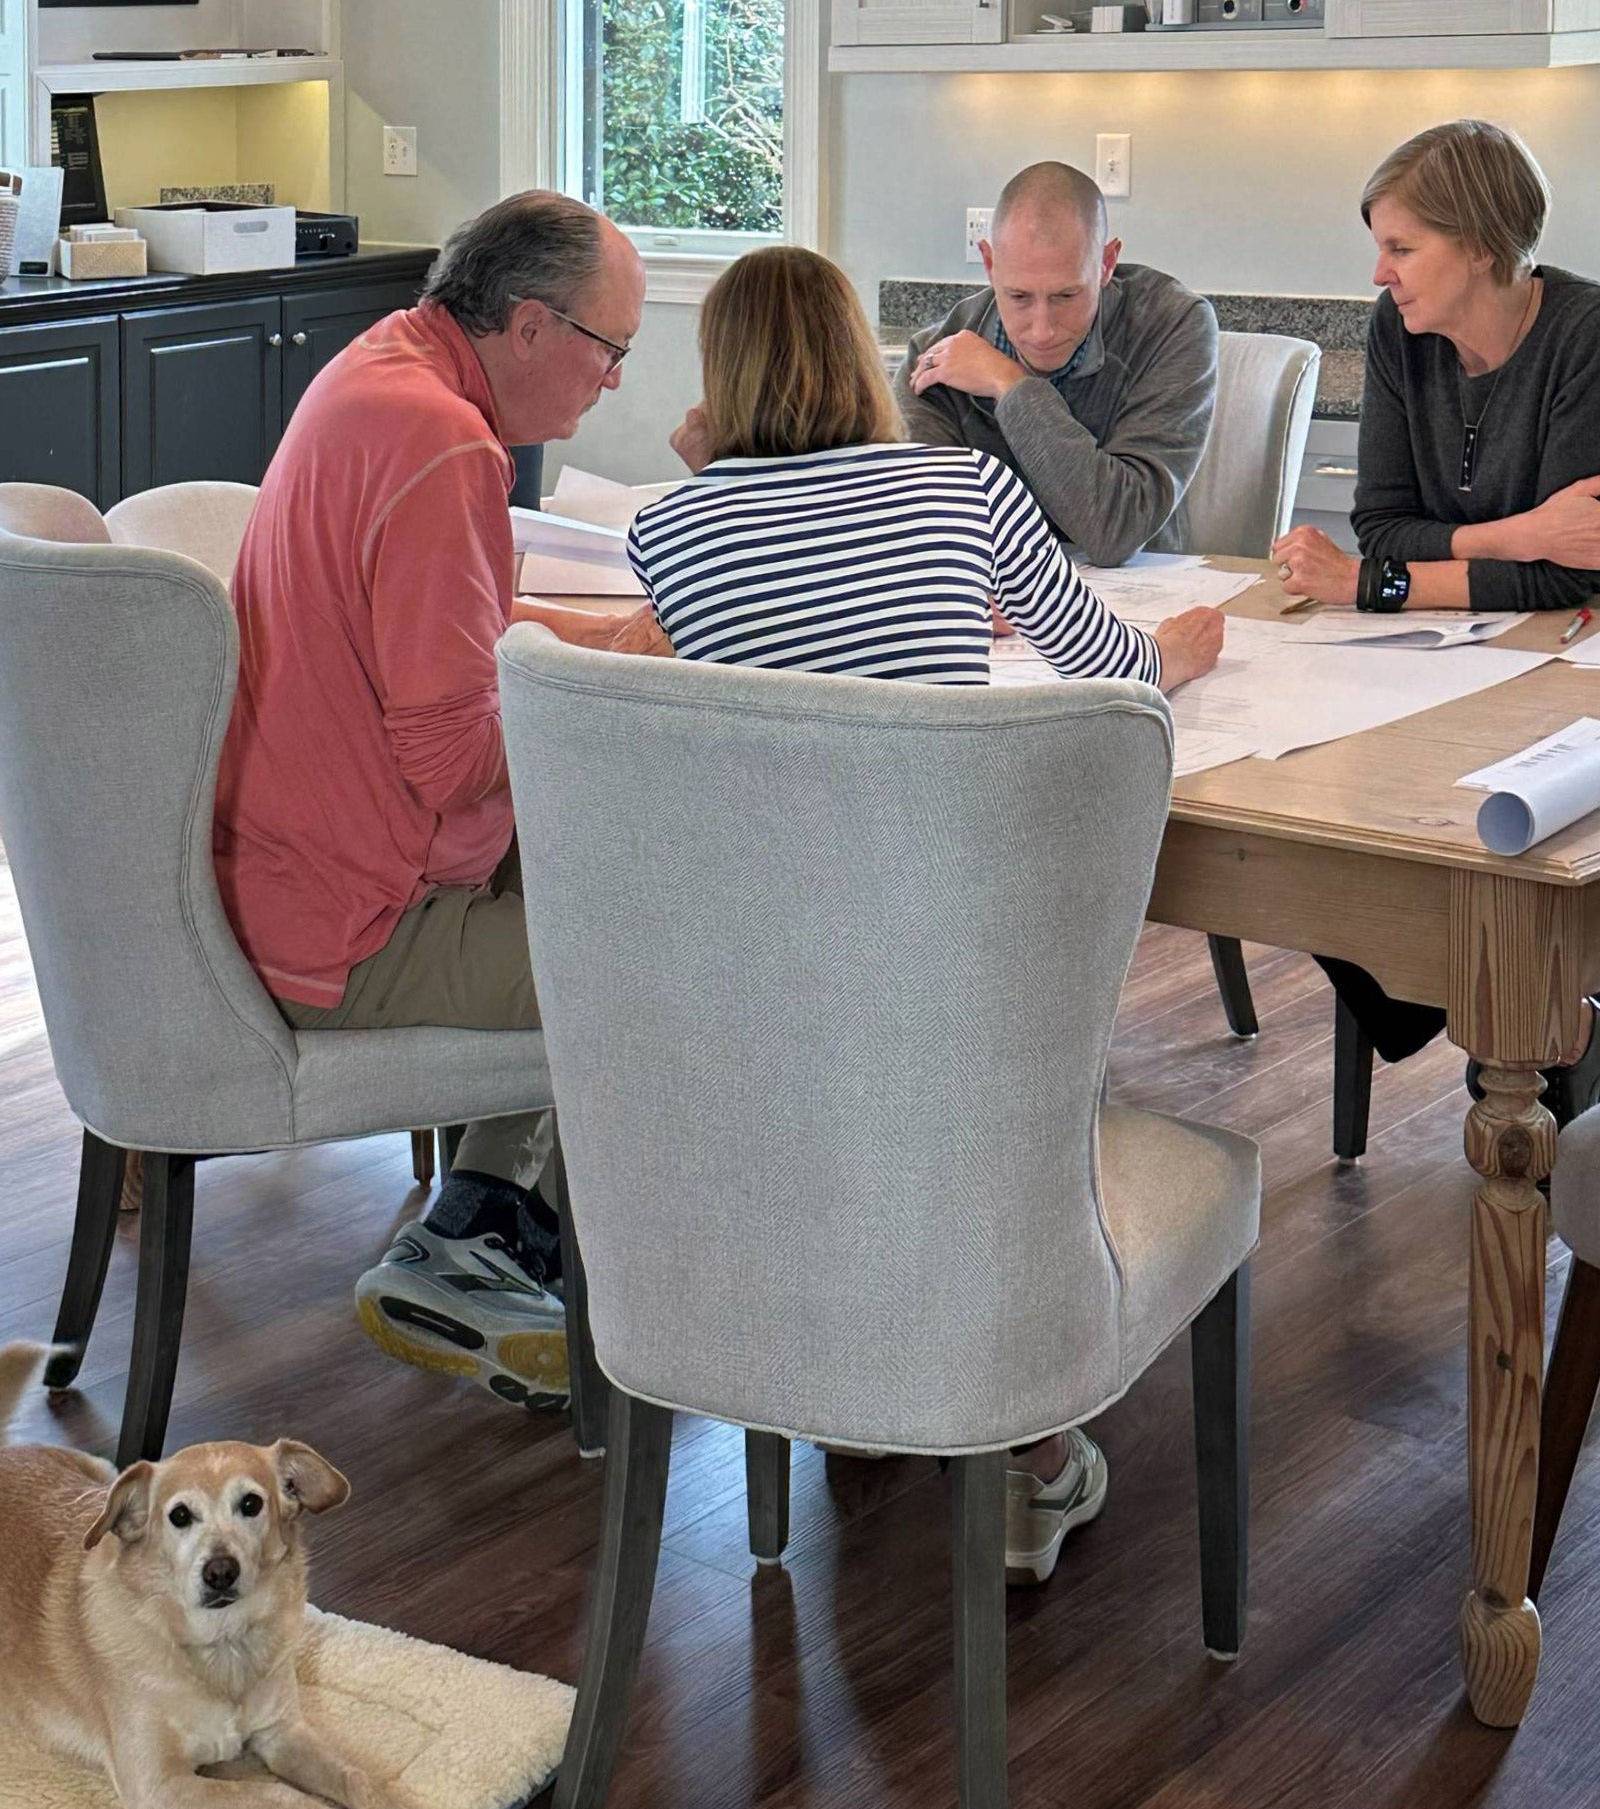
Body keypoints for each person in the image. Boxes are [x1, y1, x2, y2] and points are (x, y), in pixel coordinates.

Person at [634, 244, 1224, 1585]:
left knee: (852, 1071)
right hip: (953, 988)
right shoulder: (962, 487)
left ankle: (849, 1368)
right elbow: (1107, 669)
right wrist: (1177, 654)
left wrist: (706, 471)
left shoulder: (667, 533)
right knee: (998, 1057)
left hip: (765, 997)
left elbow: (757, 624)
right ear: (859, 357)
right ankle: (1030, 1442)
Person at [212, 191, 665, 1415]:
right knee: (667, 954)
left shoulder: (377, 373)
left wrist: (582, 636)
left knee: (609, 877)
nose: (614, 379)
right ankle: (552, 1276)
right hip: (357, 923)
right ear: (528, 326)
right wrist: (607, 679)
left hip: (282, 873)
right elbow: (453, 759)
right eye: (608, 348)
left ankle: (475, 1233)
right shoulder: (447, 444)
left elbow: (425, 636)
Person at [1274, 120, 1600, 1117]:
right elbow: (1382, 526)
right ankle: (1537, 1031)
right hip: (1448, 651)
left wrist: (1371, 587)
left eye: (1400, 247)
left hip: (1590, 666)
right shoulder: (1395, 332)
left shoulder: (1592, 331)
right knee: (1316, 807)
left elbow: (1571, 578)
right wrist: (1521, 530)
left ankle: (1533, 1038)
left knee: (1478, 830)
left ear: (1478, 244)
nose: (1379, 271)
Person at [895, 161, 1219, 568]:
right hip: (998, 607)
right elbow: (925, 530)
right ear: (990, 264)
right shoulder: (936, 357)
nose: (1042, 330)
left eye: (1067, 296)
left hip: (1143, 605)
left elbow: (1115, 529)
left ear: (1106, 263)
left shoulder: (1173, 325)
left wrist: (1011, 385)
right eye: (1018, 297)